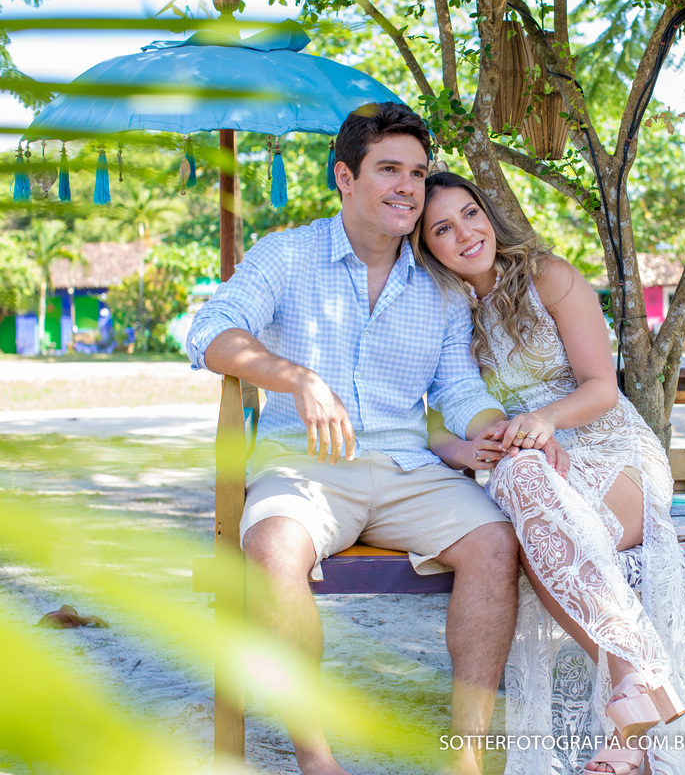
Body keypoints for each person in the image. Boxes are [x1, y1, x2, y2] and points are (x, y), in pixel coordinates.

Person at [185, 104, 524, 775]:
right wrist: (296, 378)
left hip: (408, 468)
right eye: (389, 169)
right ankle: (318, 761)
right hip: (305, 469)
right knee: (272, 545)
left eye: (418, 173)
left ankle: (467, 759)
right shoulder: (287, 255)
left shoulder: (440, 285)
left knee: (495, 543)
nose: (407, 187)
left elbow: (457, 388)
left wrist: (496, 432)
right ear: (345, 176)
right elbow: (210, 333)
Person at [415, 172, 685, 775]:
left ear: (490, 216)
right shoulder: (437, 310)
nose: (465, 234)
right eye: (442, 229)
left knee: (529, 517)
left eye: (471, 214)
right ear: (426, 247)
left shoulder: (546, 276)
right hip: (524, 462)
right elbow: (424, 408)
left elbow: (602, 388)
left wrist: (543, 422)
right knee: (521, 483)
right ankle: (635, 693)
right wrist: (454, 447)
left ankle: (633, 697)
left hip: (611, 451)